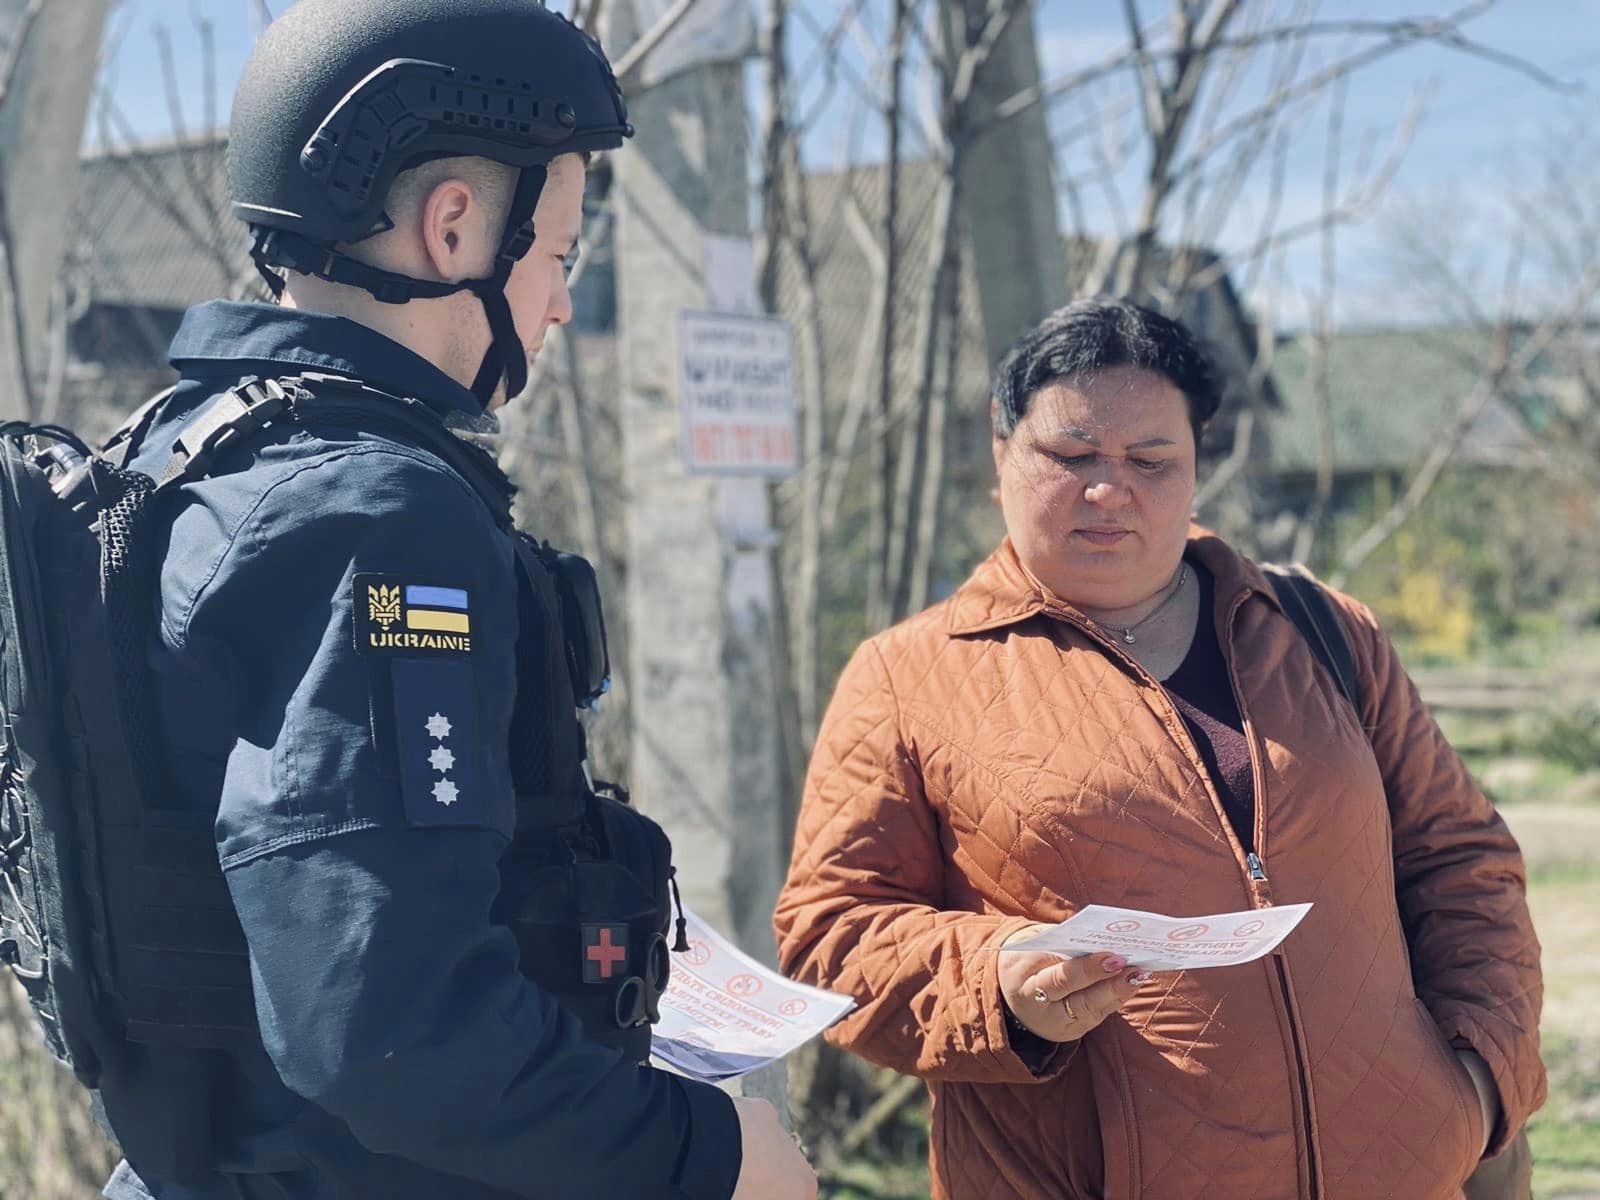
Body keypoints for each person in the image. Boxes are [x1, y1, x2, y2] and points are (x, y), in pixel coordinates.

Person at [93, 2, 816, 1198]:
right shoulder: (380, 512)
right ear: (453, 228)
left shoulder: (183, 456)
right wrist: (711, 1155)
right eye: (561, 255)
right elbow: (389, 1028)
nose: (561, 301)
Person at [773, 299, 1544, 1199]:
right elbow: (830, 937)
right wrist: (996, 983)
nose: (1110, 490)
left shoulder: (1323, 631)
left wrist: (1478, 1082)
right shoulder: (908, 676)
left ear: (1196, 464)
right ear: (1001, 451)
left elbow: (1461, 862)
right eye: (1071, 457)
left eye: (1150, 460)